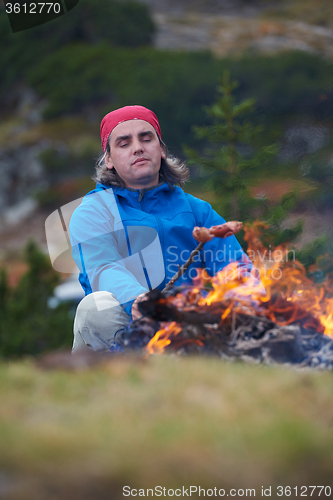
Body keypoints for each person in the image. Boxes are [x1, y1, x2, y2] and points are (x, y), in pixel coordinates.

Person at [69, 105, 251, 352]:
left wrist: (248, 298)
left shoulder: (197, 211)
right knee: (94, 307)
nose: (138, 147)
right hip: (127, 327)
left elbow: (234, 265)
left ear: (161, 150)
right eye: (124, 143)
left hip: (192, 328)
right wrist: (142, 303)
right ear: (109, 159)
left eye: (146, 138)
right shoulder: (94, 212)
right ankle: (104, 383)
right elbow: (103, 269)